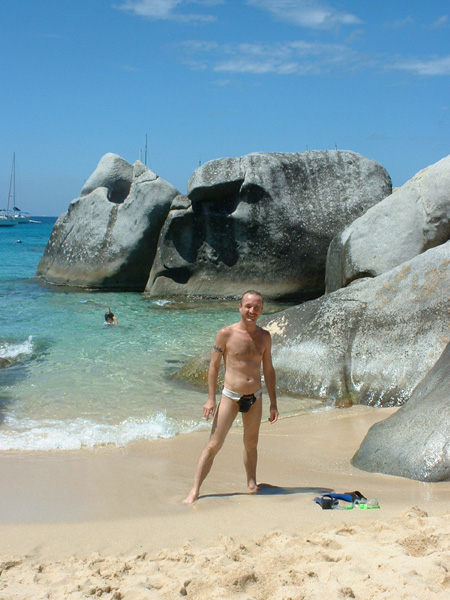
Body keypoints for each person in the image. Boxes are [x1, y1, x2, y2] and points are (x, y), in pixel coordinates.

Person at [183, 290, 278, 505]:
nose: (252, 311)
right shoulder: (226, 334)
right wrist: (210, 399)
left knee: (251, 443)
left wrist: (273, 402)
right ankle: (195, 490)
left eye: (257, 307)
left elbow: (269, 370)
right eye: (248, 306)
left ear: (262, 310)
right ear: (240, 308)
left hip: (255, 397)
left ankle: (252, 484)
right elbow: (214, 366)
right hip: (230, 397)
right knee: (213, 444)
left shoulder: (264, 337)